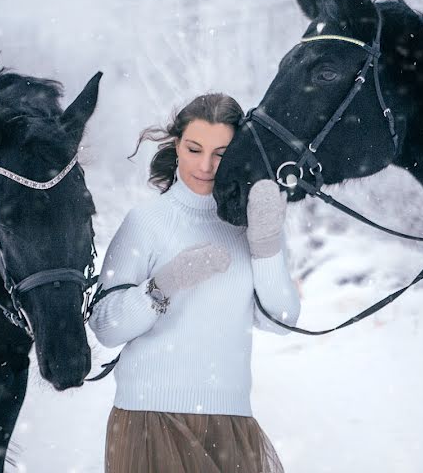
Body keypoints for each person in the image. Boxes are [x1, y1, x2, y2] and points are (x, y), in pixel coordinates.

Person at [90, 92, 300, 473]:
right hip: (149, 419)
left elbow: (281, 319)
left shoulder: (250, 225)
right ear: (176, 145)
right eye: (194, 148)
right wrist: (163, 284)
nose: (205, 165)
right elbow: (105, 326)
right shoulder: (146, 222)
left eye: (221, 152)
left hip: (230, 422)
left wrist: (266, 245)